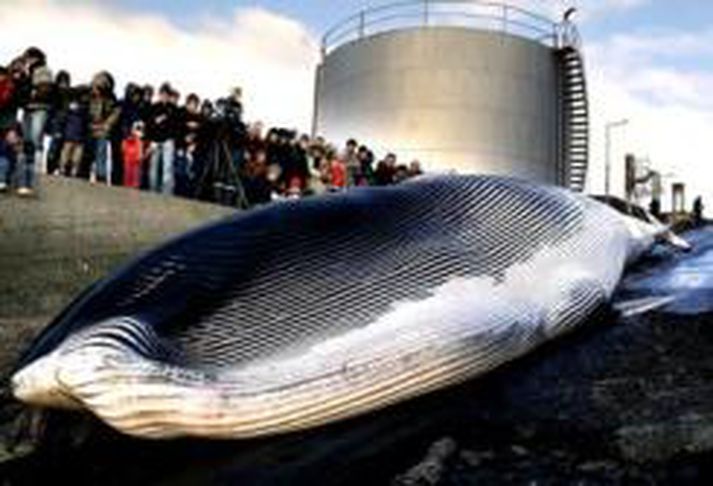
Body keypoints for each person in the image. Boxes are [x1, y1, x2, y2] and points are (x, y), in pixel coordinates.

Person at [17, 47, 53, 195]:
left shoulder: (43, 70)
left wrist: (32, 91)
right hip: (27, 107)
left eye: (28, 57)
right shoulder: (25, 70)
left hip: (40, 107)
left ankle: (37, 168)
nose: (26, 59)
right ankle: (26, 167)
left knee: (35, 137)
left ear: (35, 57)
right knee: (26, 138)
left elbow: (45, 89)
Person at [88, 71, 120, 184]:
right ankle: (83, 173)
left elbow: (115, 113)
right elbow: (85, 111)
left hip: (103, 129)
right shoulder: (89, 95)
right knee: (88, 153)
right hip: (90, 128)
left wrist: (107, 125)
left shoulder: (111, 99)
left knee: (101, 152)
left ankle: (101, 176)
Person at [146, 83, 178, 195]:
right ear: (159, 95)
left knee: (167, 168)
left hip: (168, 140)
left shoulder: (173, 109)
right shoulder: (153, 108)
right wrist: (151, 141)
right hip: (155, 140)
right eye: (162, 94)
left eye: (166, 95)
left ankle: (166, 193)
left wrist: (171, 138)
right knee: (153, 167)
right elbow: (149, 126)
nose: (164, 97)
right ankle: (152, 190)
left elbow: (175, 127)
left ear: (169, 96)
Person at [58, 85, 89, 177]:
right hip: (75, 136)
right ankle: (67, 169)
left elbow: (63, 120)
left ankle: (67, 169)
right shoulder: (83, 110)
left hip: (73, 136)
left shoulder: (73, 109)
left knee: (72, 155)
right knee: (71, 155)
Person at [46, 70, 71, 175]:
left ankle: (61, 168)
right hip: (56, 123)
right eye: (61, 82)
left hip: (67, 124)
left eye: (65, 82)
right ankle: (50, 167)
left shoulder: (70, 94)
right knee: (54, 145)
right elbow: (51, 111)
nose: (63, 84)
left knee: (63, 147)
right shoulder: (54, 93)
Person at [122, 120, 148, 189]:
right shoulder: (127, 140)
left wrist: (140, 155)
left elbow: (141, 150)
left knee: (136, 175)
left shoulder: (140, 141)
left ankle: (135, 187)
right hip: (128, 159)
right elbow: (124, 148)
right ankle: (128, 187)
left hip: (136, 160)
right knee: (127, 174)